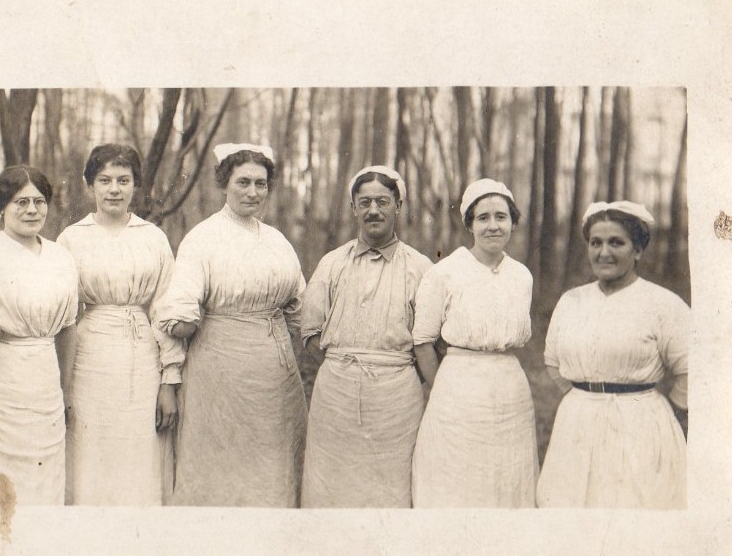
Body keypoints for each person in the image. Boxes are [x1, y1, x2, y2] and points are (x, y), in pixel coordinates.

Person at [157, 143, 308, 507]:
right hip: (220, 377)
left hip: (276, 381)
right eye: (243, 182)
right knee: (220, 474)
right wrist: (182, 329)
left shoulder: (277, 241)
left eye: (260, 183)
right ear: (224, 184)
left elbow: (301, 308)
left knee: (273, 472)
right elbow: (177, 313)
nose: (252, 192)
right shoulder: (202, 239)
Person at [537, 201, 689, 508]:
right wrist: (585, 397)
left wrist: (660, 409)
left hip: (640, 426)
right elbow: (553, 362)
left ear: (637, 250)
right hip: (576, 424)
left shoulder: (662, 304)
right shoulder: (571, 301)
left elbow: (694, 370)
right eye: (596, 242)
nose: (604, 252)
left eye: (616, 242)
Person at [57, 144, 183, 506]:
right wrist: (63, 384)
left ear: (135, 185)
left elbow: (165, 308)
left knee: (139, 450)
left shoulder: (153, 238)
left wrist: (168, 382)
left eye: (123, 180)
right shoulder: (71, 239)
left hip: (141, 355)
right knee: (91, 449)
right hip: (90, 356)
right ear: (90, 185)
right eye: (105, 180)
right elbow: (63, 314)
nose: (114, 189)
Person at [300, 166, 432, 508]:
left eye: (383, 201)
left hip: (397, 401)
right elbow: (310, 332)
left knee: (391, 489)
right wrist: (347, 369)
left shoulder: (420, 269)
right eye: (365, 202)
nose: (374, 210)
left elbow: (430, 341)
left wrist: (392, 374)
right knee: (331, 489)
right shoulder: (332, 264)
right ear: (354, 208)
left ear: (398, 206)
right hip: (336, 398)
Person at [411, 178, 539, 508]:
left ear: (513, 221)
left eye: (501, 217)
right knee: (456, 482)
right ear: (469, 224)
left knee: (507, 481)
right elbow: (423, 341)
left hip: (510, 394)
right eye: (483, 218)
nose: (493, 226)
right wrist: (446, 390)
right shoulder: (445, 272)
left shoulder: (522, 275)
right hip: (457, 393)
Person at [0, 165, 79, 506]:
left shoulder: (61, 258)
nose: (31, 210)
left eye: (39, 202)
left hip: (44, 382)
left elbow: (68, 327)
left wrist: (65, 389)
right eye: (20, 202)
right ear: (1, 208)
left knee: (45, 474)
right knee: (1, 476)